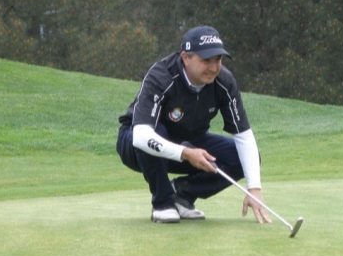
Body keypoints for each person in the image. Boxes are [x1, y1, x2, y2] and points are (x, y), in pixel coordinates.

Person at [116, 26, 273, 224]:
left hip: (189, 142)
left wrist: (254, 189)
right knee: (157, 131)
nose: (214, 67)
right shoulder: (161, 75)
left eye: (218, 60)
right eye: (206, 60)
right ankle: (163, 202)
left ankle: (182, 195)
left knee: (243, 157)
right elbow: (141, 135)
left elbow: (243, 135)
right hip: (135, 143)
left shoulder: (224, 82)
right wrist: (186, 153)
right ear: (185, 58)